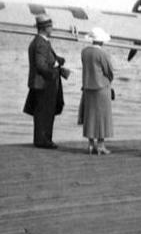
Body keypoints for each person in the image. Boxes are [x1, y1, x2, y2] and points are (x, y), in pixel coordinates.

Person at [23, 14, 69, 149]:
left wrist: (57, 60)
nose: (52, 29)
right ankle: (43, 140)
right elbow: (41, 65)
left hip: (41, 83)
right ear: (45, 28)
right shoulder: (41, 43)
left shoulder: (39, 42)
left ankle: (42, 139)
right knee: (45, 113)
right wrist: (54, 71)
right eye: (50, 26)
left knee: (43, 112)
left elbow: (44, 60)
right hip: (45, 83)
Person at [79, 27, 115, 155]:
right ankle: (100, 145)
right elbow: (109, 71)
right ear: (102, 41)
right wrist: (109, 81)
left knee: (90, 116)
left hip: (88, 87)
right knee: (102, 117)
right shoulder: (103, 54)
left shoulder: (84, 52)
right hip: (101, 88)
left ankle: (90, 144)